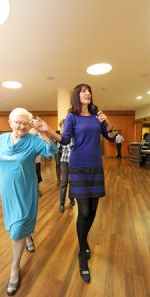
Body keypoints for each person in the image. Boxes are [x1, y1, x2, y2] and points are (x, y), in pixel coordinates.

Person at [0, 108, 57, 296]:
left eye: (25, 123)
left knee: (16, 230)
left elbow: (51, 151)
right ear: (10, 122)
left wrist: (44, 131)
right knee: (18, 226)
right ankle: (28, 236)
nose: (21, 126)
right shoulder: (2, 140)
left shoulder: (33, 141)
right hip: (7, 192)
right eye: (17, 122)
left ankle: (14, 269)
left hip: (25, 191)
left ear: (30, 124)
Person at [32, 83, 116, 283]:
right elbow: (65, 139)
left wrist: (108, 121)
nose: (87, 93)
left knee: (94, 210)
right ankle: (81, 251)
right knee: (84, 211)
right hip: (78, 167)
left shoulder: (97, 117)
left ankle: (84, 239)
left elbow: (111, 138)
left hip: (96, 168)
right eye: (83, 91)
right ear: (77, 96)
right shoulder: (72, 117)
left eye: (89, 90)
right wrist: (47, 130)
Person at [59, 120, 75, 213]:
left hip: (74, 162)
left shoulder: (74, 136)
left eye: (64, 126)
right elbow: (57, 149)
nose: (63, 128)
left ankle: (71, 198)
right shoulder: (60, 137)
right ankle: (61, 204)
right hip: (64, 161)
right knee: (64, 182)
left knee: (72, 182)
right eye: (61, 127)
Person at [54, 119, 65, 186]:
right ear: (60, 126)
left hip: (65, 151)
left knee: (65, 165)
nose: (63, 127)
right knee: (58, 164)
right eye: (62, 126)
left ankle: (65, 178)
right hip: (57, 150)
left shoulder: (67, 132)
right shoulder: (57, 132)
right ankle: (58, 179)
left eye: (65, 126)